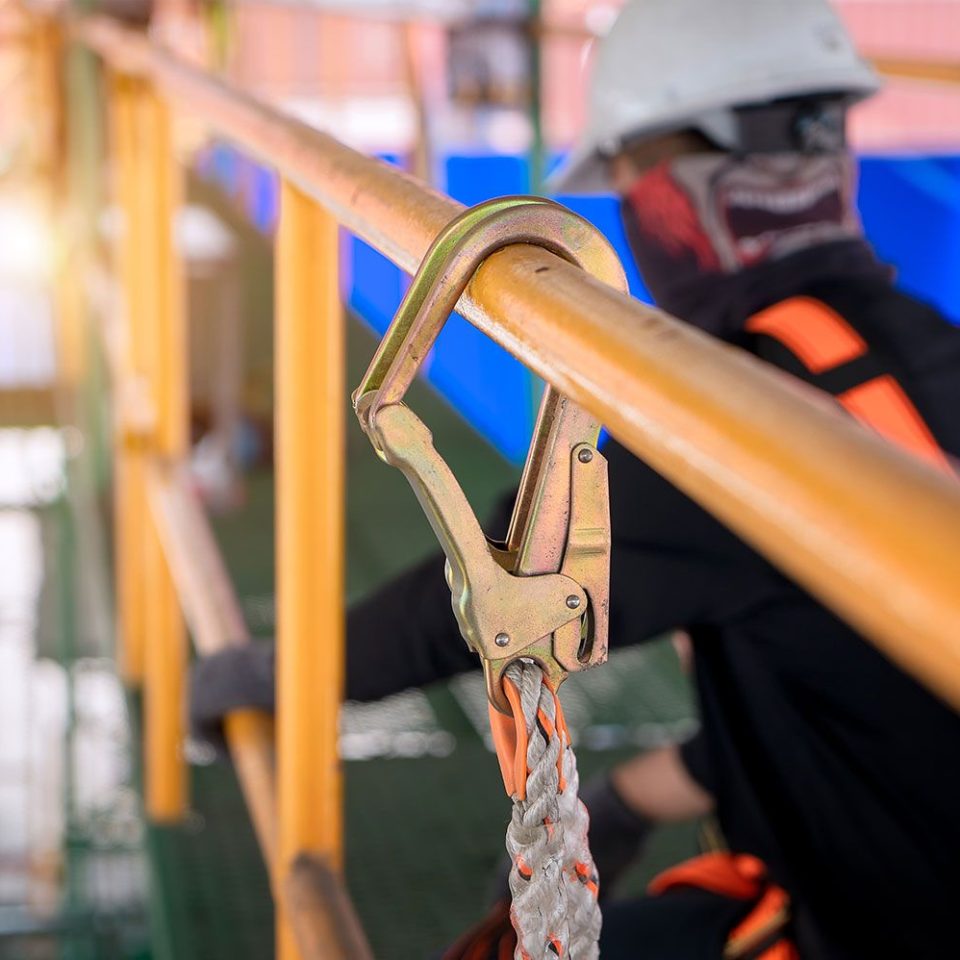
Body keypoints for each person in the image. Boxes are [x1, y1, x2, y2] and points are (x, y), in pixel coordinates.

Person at [191, 0, 960, 956]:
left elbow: (507, 574)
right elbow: (857, 691)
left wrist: (290, 671)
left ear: (685, 177)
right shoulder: (925, 356)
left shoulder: (747, 420)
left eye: (632, 173)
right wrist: (639, 793)